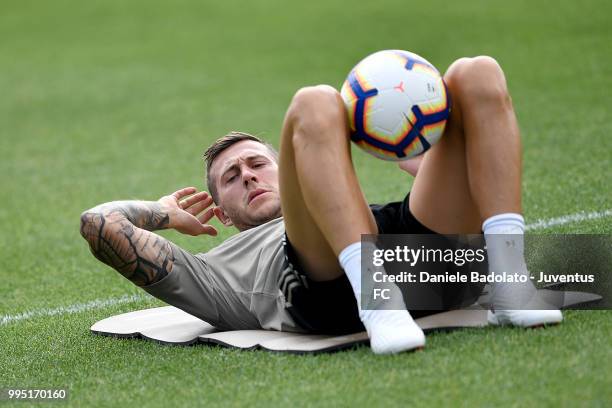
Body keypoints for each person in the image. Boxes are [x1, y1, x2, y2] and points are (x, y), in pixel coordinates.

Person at [80, 56, 562, 355]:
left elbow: (463, 173)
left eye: (257, 163)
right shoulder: (213, 271)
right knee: (314, 101)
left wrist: (430, 158)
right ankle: (379, 302)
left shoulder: (346, 200)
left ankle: (510, 284)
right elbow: (100, 225)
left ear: (289, 167)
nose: (249, 175)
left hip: (408, 253)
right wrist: (163, 213)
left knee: (477, 73)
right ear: (221, 213)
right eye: (232, 177)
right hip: (322, 287)